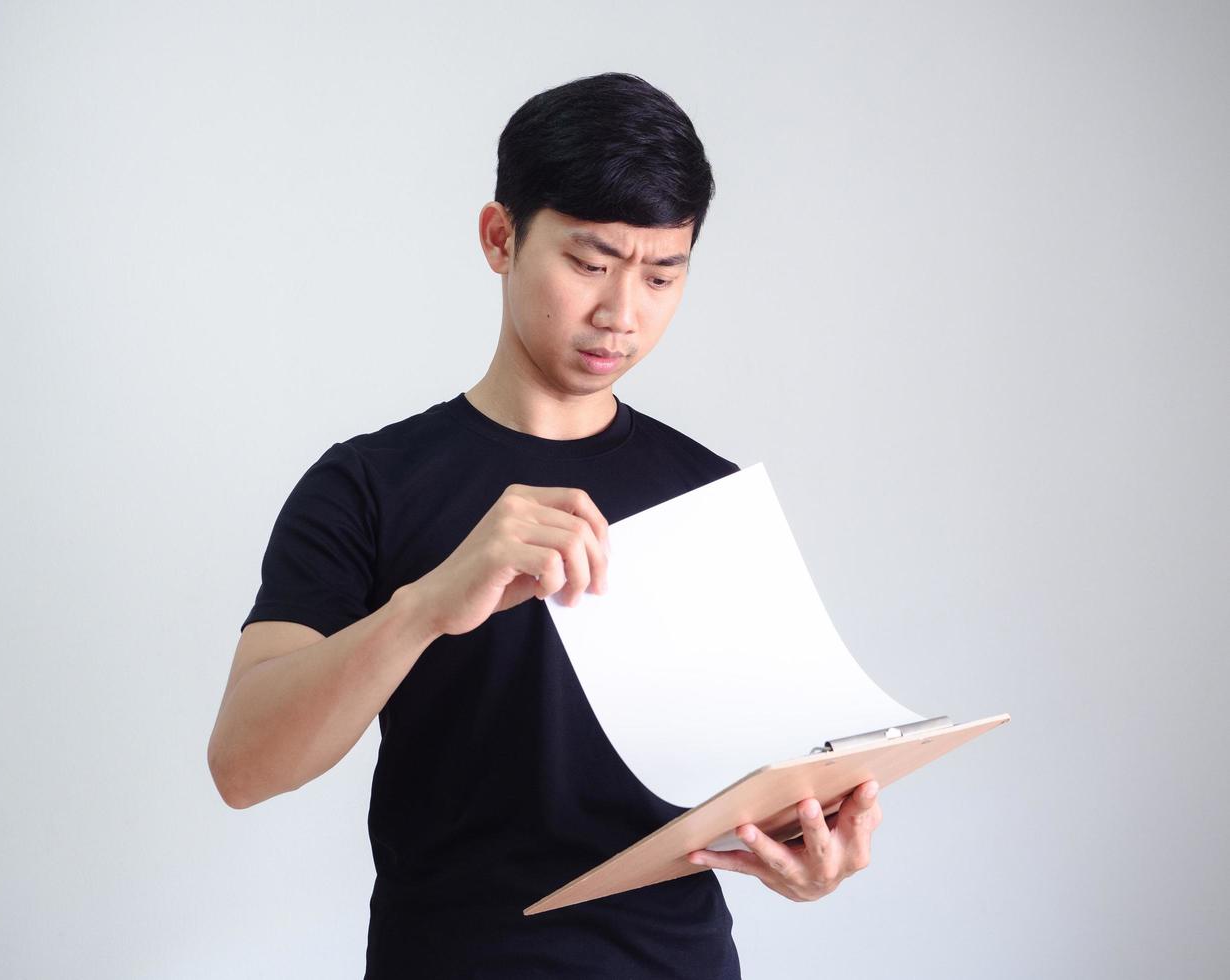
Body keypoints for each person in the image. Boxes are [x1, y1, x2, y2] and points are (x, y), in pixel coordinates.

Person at [207, 71, 883, 979]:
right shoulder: (366, 484)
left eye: (661, 273)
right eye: (589, 262)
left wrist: (808, 859)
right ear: (500, 238)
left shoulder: (707, 495)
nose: (622, 313)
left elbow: (758, 779)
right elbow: (244, 766)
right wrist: (426, 605)